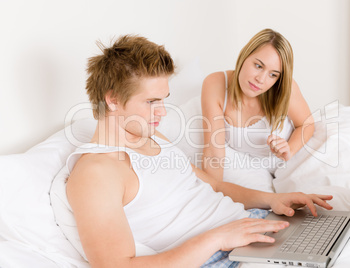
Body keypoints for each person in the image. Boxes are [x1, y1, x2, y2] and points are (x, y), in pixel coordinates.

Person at [51, 34, 333, 268]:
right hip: (219, 256)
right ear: (112, 99)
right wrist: (217, 238)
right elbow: (117, 266)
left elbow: (213, 184)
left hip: (250, 229)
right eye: (151, 102)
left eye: (164, 99)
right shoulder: (96, 172)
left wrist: (273, 200)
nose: (162, 112)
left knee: (335, 240)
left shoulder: (151, 134)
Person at [201, 28, 315, 192]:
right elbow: (213, 152)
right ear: (244, 55)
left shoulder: (284, 88)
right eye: (258, 65)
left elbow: (307, 124)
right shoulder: (215, 84)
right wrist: (211, 197)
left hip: (296, 160)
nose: (260, 80)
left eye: (273, 75)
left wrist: (289, 149)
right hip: (259, 171)